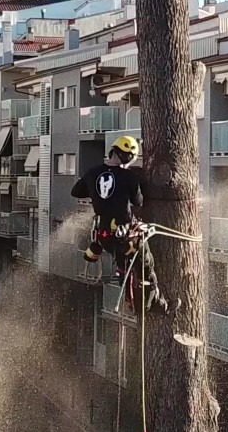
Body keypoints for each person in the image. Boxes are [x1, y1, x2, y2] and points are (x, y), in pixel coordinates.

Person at [72, 135, 171, 315]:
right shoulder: (129, 177)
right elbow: (138, 202)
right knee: (146, 263)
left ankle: (131, 302)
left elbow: (76, 191)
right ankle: (154, 303)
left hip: (105, 236)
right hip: (126, 234)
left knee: (123, 267)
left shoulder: (92, 172)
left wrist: (97, 192)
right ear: (129, 157)